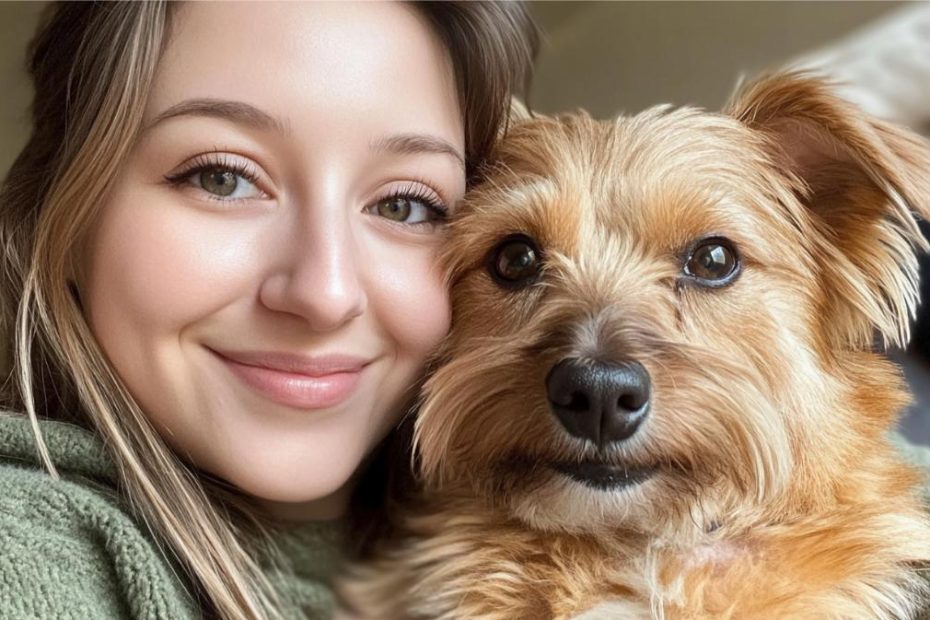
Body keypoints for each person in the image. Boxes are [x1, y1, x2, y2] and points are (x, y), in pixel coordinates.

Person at [0, 2, 537, 618]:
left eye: (404, 206)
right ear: (65, 221)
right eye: (223, 178)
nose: (325, 294)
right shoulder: (30, 559)